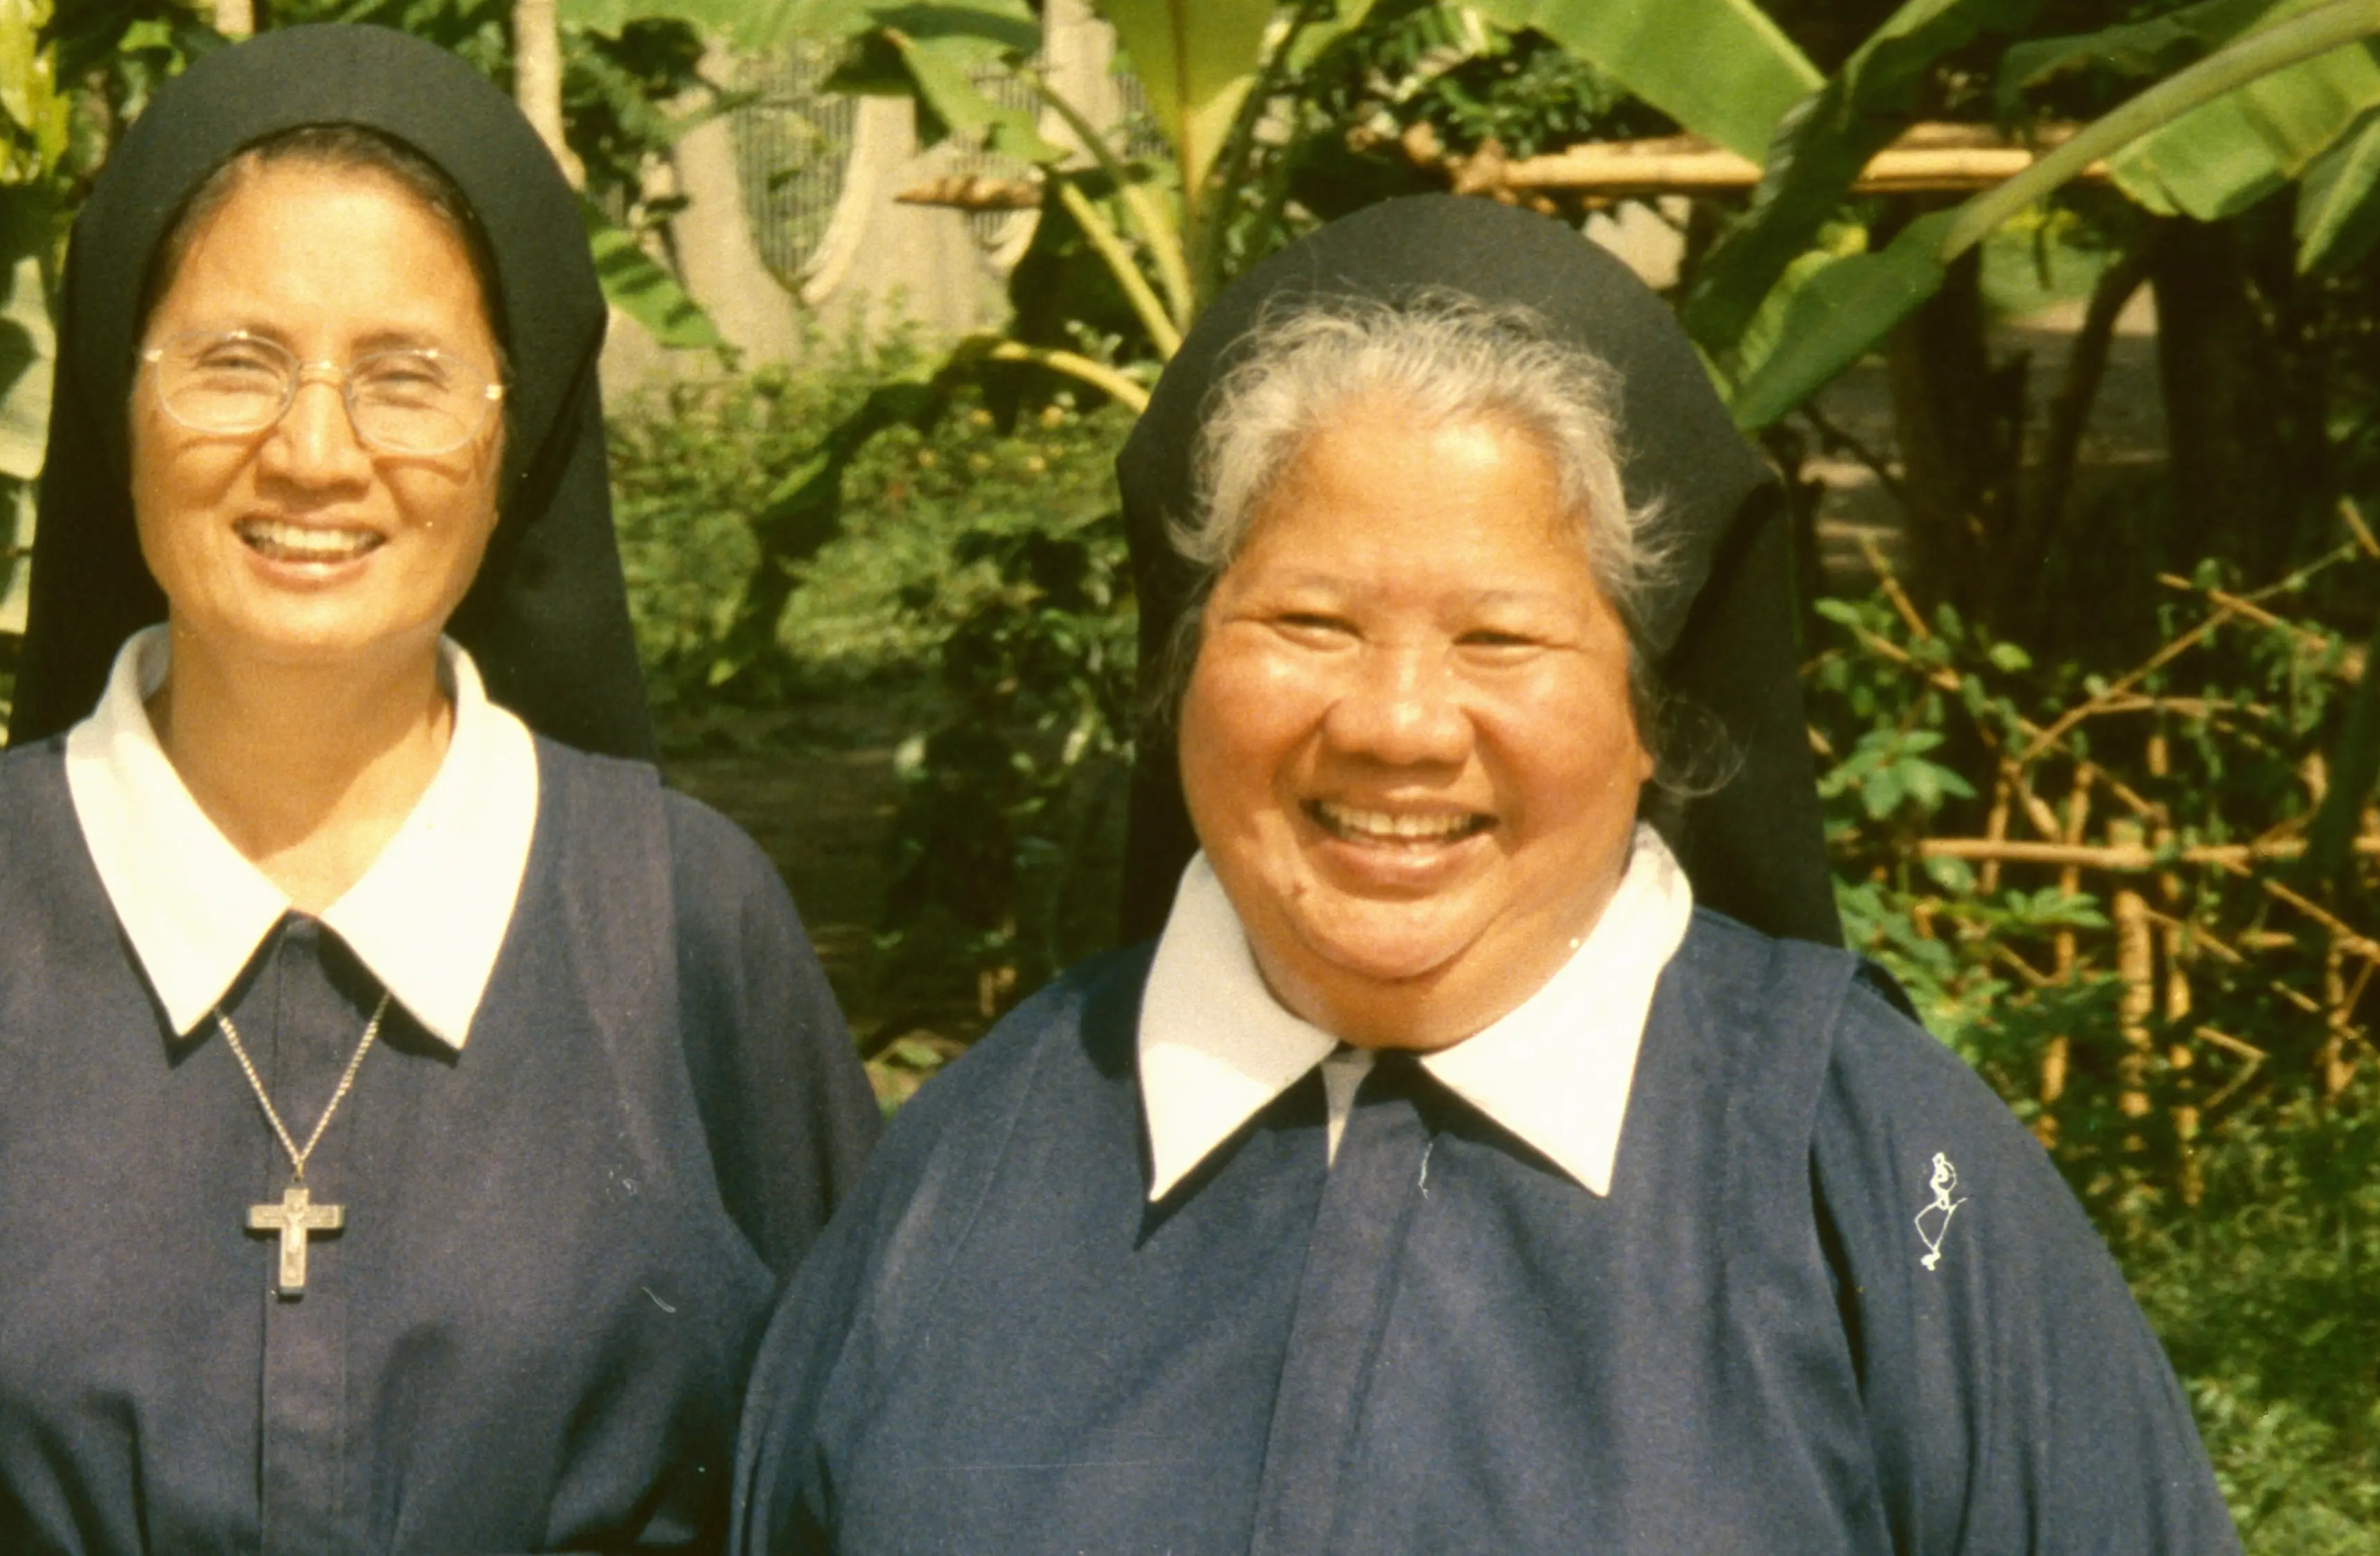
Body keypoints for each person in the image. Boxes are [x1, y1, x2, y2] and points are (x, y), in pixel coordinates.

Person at [732, 196, 2238, 1555]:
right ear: (1183, 667)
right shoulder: (975, 1157)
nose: (1394, 726)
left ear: (1650, 710)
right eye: (1307, 622)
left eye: (1499, 638)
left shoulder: (1862, 1162)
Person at [0, 26, 878, 1554]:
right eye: (236, 362)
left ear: (516, 438)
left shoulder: (679, 914)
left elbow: (850, 1486)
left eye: (406, 378)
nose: (314, 452)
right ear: (119, 404)